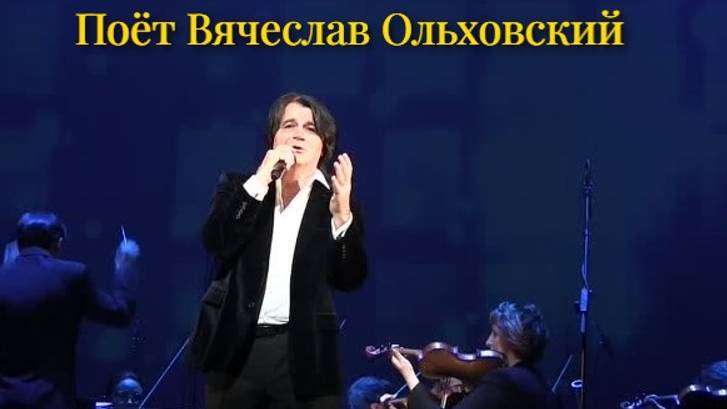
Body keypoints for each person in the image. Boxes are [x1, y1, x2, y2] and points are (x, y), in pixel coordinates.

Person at [190, 92, 368, 409]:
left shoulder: (336, 201)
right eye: (288, 125)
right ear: (273, 138)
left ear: (324, 145)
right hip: (237, 349)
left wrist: (342, 220)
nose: (298, 134)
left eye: (310, 128)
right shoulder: (241, 188)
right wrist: (261, 180)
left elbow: (350, 278)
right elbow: (217, 243)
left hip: (305, 354)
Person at [0, 212, 140, 409]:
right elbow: (120, 314)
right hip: (52, 402)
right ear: (58, 242)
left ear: (18, 242)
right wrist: (124, 267)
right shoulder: (72, 275)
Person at [390, 301, 553, 409]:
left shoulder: (505, 380)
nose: (488, 342)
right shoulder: (538, 381)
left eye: (495, 334)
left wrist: (409, 374)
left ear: (513, 338)